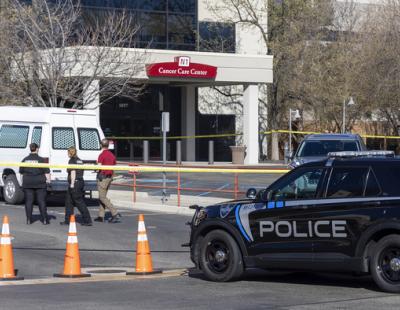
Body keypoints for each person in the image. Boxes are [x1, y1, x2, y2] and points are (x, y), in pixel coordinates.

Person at [60, 147, 93, 226]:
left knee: (79, 202)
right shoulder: (79, 160)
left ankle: (87, 220)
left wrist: (72, 184)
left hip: (75, 183)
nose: (67, 154)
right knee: (69, 202)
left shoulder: (72, 160)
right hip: (80, 181)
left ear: (70, 153)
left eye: (68, 152)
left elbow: (73, 172)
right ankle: (67, 220)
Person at [19, 143, 50, 225]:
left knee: (29, 201)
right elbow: (47, 172)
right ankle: (44, 220)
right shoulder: (41, 160)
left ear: (30, 149)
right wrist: (49, 182)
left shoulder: (25, 159)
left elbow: (21, 172)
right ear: (37, 149)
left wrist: (22, 183)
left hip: (28, 182)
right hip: (40, 182)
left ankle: (29, 220)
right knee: (41, 201)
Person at [94, 139, 121, 223]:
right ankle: (101, 216)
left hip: (103, 178)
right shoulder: (112, 155)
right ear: (108, 146)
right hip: (109, 177)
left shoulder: (101, 155)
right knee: (103, 197)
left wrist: (95, 168)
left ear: (101, 145)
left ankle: (114, 212)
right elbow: (114, 166)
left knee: (102, 197)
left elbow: (99, 168)